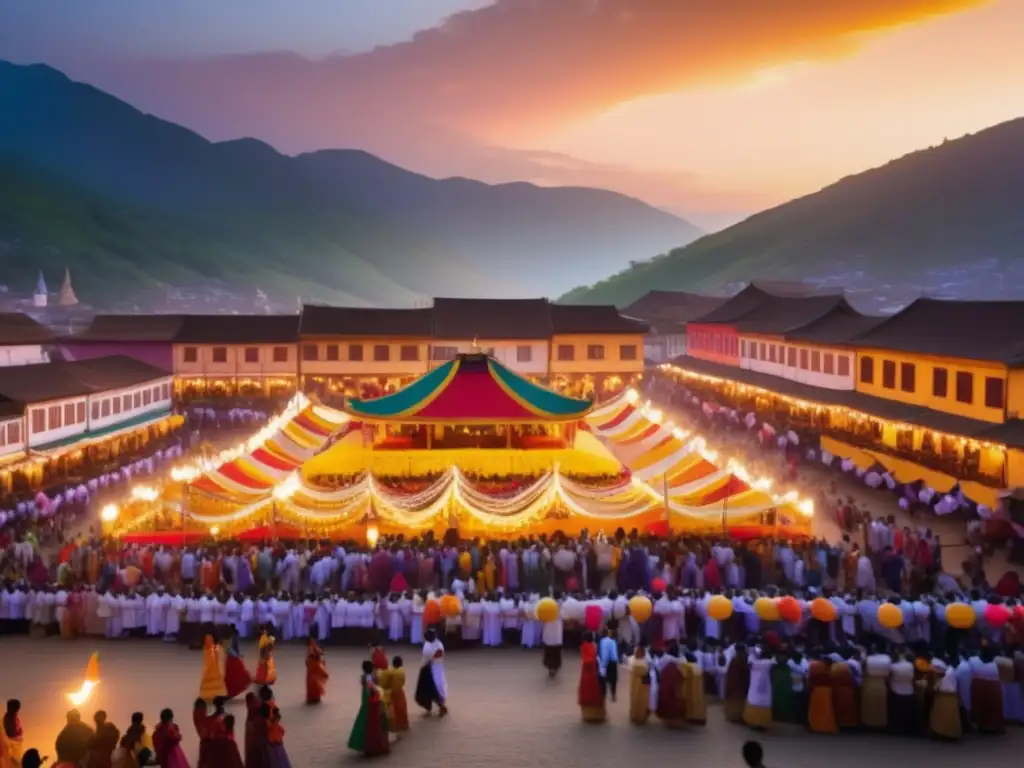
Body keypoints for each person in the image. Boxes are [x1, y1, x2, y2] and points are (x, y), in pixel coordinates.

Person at [348, 660, 391, 756]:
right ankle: (376, 746)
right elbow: (375, 691)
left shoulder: (365, 678)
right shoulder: (370, 679)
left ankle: (367, 745)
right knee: (377, 724)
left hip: (367, 704)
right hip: (374, 704)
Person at [414, 628, 448, 716]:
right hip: (428, 669)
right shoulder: (430, 644)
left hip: (433, 669)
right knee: (427, 691)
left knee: (435, 689)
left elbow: (431, 658)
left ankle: (441, 707)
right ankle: (430, 707)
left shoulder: (438, 646)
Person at [578, 632, 606, 723]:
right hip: (594, 671)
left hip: (586, 672)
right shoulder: (594, 646)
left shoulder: (584, 647)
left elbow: (585, 659)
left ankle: (587, 714)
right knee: (594, 691)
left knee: (586, 691)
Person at [743, 651, 774, 729]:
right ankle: (762, 723)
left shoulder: (753, 663)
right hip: (764, 690)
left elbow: (749, 662)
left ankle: (753, 722)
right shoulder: (769, 663)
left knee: (754, 702)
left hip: (755, 689)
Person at [806, 658, 838, 733]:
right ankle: (824, 726)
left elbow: (810, 679)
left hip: (817, 691)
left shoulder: (814, 667)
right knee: (826, 710)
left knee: (816, 710)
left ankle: (815, 726)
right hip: (826, 691)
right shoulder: (830, 669)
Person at [224, 626, 252, 700]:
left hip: (229, 659)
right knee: (236, 675)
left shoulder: (229, 638)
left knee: (230, 676)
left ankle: (229, 692)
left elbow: (228, 649)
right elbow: (231, 649)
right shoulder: (234, 638)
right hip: (232, 659)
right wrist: (237, 655)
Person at [627, 645, 651, 725]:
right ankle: (641, 716)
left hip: (634, 682)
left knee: (634, 698)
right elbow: (649, 668)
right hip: (643, 683)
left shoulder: (632, 660)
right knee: (642, 700)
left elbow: (629, 669)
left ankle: (633, 715)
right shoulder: (646, 661)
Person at [243, 694, 269, 768]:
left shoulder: (251, 715)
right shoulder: (259, 708)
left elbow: (249, 738)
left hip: (254, 745)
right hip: (263, 743)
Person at [200, 635, 228, 701]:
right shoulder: (206, 648)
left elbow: (218, 656)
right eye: (207, 640)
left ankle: (217, 694)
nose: (209, 641)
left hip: (215, 669)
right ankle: (209, 695)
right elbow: (208, 658)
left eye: (210, 639)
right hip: (209, 669)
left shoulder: (214, 648)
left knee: (216, 681)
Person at [387, 656, 410, 734]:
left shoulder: (391, 672)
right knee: (401, 707)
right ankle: (402, 724)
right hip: (399, 691)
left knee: (393, 709)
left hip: (392, 692)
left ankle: (394, 725)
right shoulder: (401, 672)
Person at [597, 624, 619, 702]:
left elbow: (604, 654)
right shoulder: (613, 641)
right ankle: (613, 695)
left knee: (603, 680)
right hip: (614, 662)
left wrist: (603, 665)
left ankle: (603, 695)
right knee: (613, 680)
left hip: (607, 662)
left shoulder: (602, 641)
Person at [305, 635, 329, 705]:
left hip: (313, 667)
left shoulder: (312, 647)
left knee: (312, 682)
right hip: (313, 667)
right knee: (315, 682)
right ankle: (315, 697)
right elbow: (320, 653)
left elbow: (317, 654)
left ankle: (313, 697)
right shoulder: (313, 647)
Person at [4, 700, 24, 766]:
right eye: (17, 707)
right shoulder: (9, 718)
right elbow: (11, 734)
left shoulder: (14, 717)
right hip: (11, 750)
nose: (18, 709)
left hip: (14, 749)